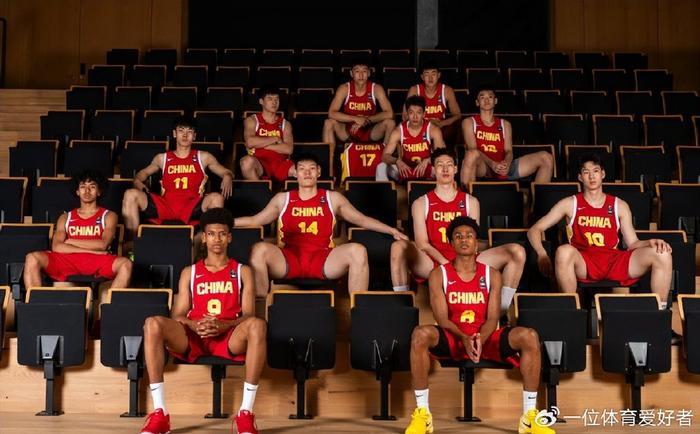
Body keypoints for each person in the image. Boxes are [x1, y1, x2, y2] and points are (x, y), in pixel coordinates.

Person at [404, 216, 555, 434]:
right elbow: (442, 318)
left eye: (469, 236)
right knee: (420, 334)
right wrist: (464, 338)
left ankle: (530, 417)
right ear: (451, 243)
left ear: (477, 243)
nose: (464, 239)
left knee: (529, 336)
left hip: (485, 337)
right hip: (454, 337)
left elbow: (493, 318)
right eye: (458, 236)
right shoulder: (438, 274)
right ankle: (423, 414)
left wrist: (479, 339)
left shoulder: (492, 274)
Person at [139, 208, 266, 434]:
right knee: (152, 324)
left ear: (229, 237)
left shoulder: (242, 271)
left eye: (222, 234)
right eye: (211, 234)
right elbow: (178, 314)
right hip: (194, 336)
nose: (217, 239)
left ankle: (245, 413)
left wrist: (224, 325)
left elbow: (249, 314)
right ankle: (160, 413)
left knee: (258, 325)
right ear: (204, 237)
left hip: (229, 336)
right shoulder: (190, 272)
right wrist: (194, 324)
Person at [234, 153, 407, 297]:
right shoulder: (283, 199)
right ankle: (260, 308)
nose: (307, 173)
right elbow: (256, 220)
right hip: (289, 258)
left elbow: (361, 219)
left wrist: (391, 230)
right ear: (295, 173)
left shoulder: (332, 198)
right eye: (302, 169)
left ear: (318, 172)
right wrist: (227, 221)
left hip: (323, 258)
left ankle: (358, 310)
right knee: (259, 249)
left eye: (311, 168)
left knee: (358, 250)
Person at [390, 148, 524, 316]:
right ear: (433, 170)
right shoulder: (421, 203)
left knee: (517, 251)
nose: (445, 169)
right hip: (433, 261)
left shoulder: (471, 202)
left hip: (466, 259)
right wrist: (446, 264)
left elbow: (473, 240)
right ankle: (401, 310)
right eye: (440, 165)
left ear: (455, 169)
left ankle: (501, 312)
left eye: (449, 165)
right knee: (398, 247)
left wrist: (462, 263)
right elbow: (422, 243)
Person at [527, 153, 672, 305]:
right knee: (563, 251)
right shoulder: (569, 204)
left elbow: (632, 243)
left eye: (595, 171)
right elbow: (534, 230)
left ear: (602, 174)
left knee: (662, 254)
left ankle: (660, 312)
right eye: (586, 172)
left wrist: (650, 242)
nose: (591, 176)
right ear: (580, 177)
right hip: (584, 261)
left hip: (613, 261)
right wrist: (541, 254)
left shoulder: (619, 205)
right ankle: (570, 309)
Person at [122, 116, 233, 236]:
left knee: (217, 198)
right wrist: (137, 181)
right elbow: (142, 173)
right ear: (174, 134)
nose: (185, 135)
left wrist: (227, 176)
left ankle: (209, 243)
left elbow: (226, 172)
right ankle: (134, 243)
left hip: (192, 205)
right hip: (165, 205)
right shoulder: (162, 158)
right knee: (130, 194)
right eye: (181, 130)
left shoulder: (203, 157)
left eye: (189, 131)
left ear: (194, 136)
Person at [24, 169, 132, 289]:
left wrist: (70, 241)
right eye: (83, 187)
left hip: (97, 260)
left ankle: (112, 301)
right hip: (67, 261)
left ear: (99, 191)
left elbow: (102, 244)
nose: (87, 191)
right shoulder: (66, 217)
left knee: (126, 264)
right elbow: (57, 247)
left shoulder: (109, 215)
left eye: (92, 187)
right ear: (77, 191)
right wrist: (93, 250)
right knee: (32, 258)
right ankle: (36, 300)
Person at [460, 85, 553, 188]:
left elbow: (508, 151)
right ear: (477, 102)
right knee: (471, 154)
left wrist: (507, 164)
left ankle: (540, 197)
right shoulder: (469, 122)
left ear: (495, 101)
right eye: (482, 97)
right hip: (484, 167)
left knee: (546, 157)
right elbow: (473, 149)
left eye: (490, 97)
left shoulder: (505, 124)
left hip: (503, 166)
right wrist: (492, 164)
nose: (486, 100)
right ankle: (466, 197)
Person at [323, 57, 395, 147]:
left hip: (369, 130)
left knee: (390, 123)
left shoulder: (376, 88)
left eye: (364, 71)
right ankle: (329, 156)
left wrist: (366, 120)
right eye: (357, 71)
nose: (361, 75)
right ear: (351, 73)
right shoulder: (344, 88)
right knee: (328, 123)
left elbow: (390, 113)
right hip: (348, 130)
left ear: (368, 73)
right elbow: (331, 113)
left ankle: (386, 155)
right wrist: (355, 119)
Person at [376, 96, 446, 181]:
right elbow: (384, 156)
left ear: (424, 114)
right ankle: (384, 190)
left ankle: (440, 189)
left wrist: (428, 160)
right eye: (411, 112)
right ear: (407, 114)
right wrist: (397, 161)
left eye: (419, 113)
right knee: (381, 167)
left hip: (426, 168)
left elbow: (442, 155)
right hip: (405, 169)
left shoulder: (433, 130)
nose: (415, 117)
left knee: (443, 168)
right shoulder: (398, 131)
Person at [240, 86, 296, 182]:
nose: (274, 102)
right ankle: (259, 190)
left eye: (276, 99)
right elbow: (250, 142)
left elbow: (288, 149)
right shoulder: (252, 120)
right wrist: (275, 138)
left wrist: (261, 145)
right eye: (270, 99)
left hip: (280, 163)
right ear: (261, 101)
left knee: (303, 170)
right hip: (260, 162)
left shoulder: (285, 124)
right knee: (246, 162)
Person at [404, 62, 462, 144]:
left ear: (439, 75)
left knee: (456, 126)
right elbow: (405, 115)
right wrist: (427, 123)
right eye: (427, 74)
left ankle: (449, 150)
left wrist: (442, 123)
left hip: (441, 126)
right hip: (420, 125)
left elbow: (457, 115)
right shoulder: (414, 90)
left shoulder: (447, 90)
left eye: (433, 74)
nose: (430, 78)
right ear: (422, 77)